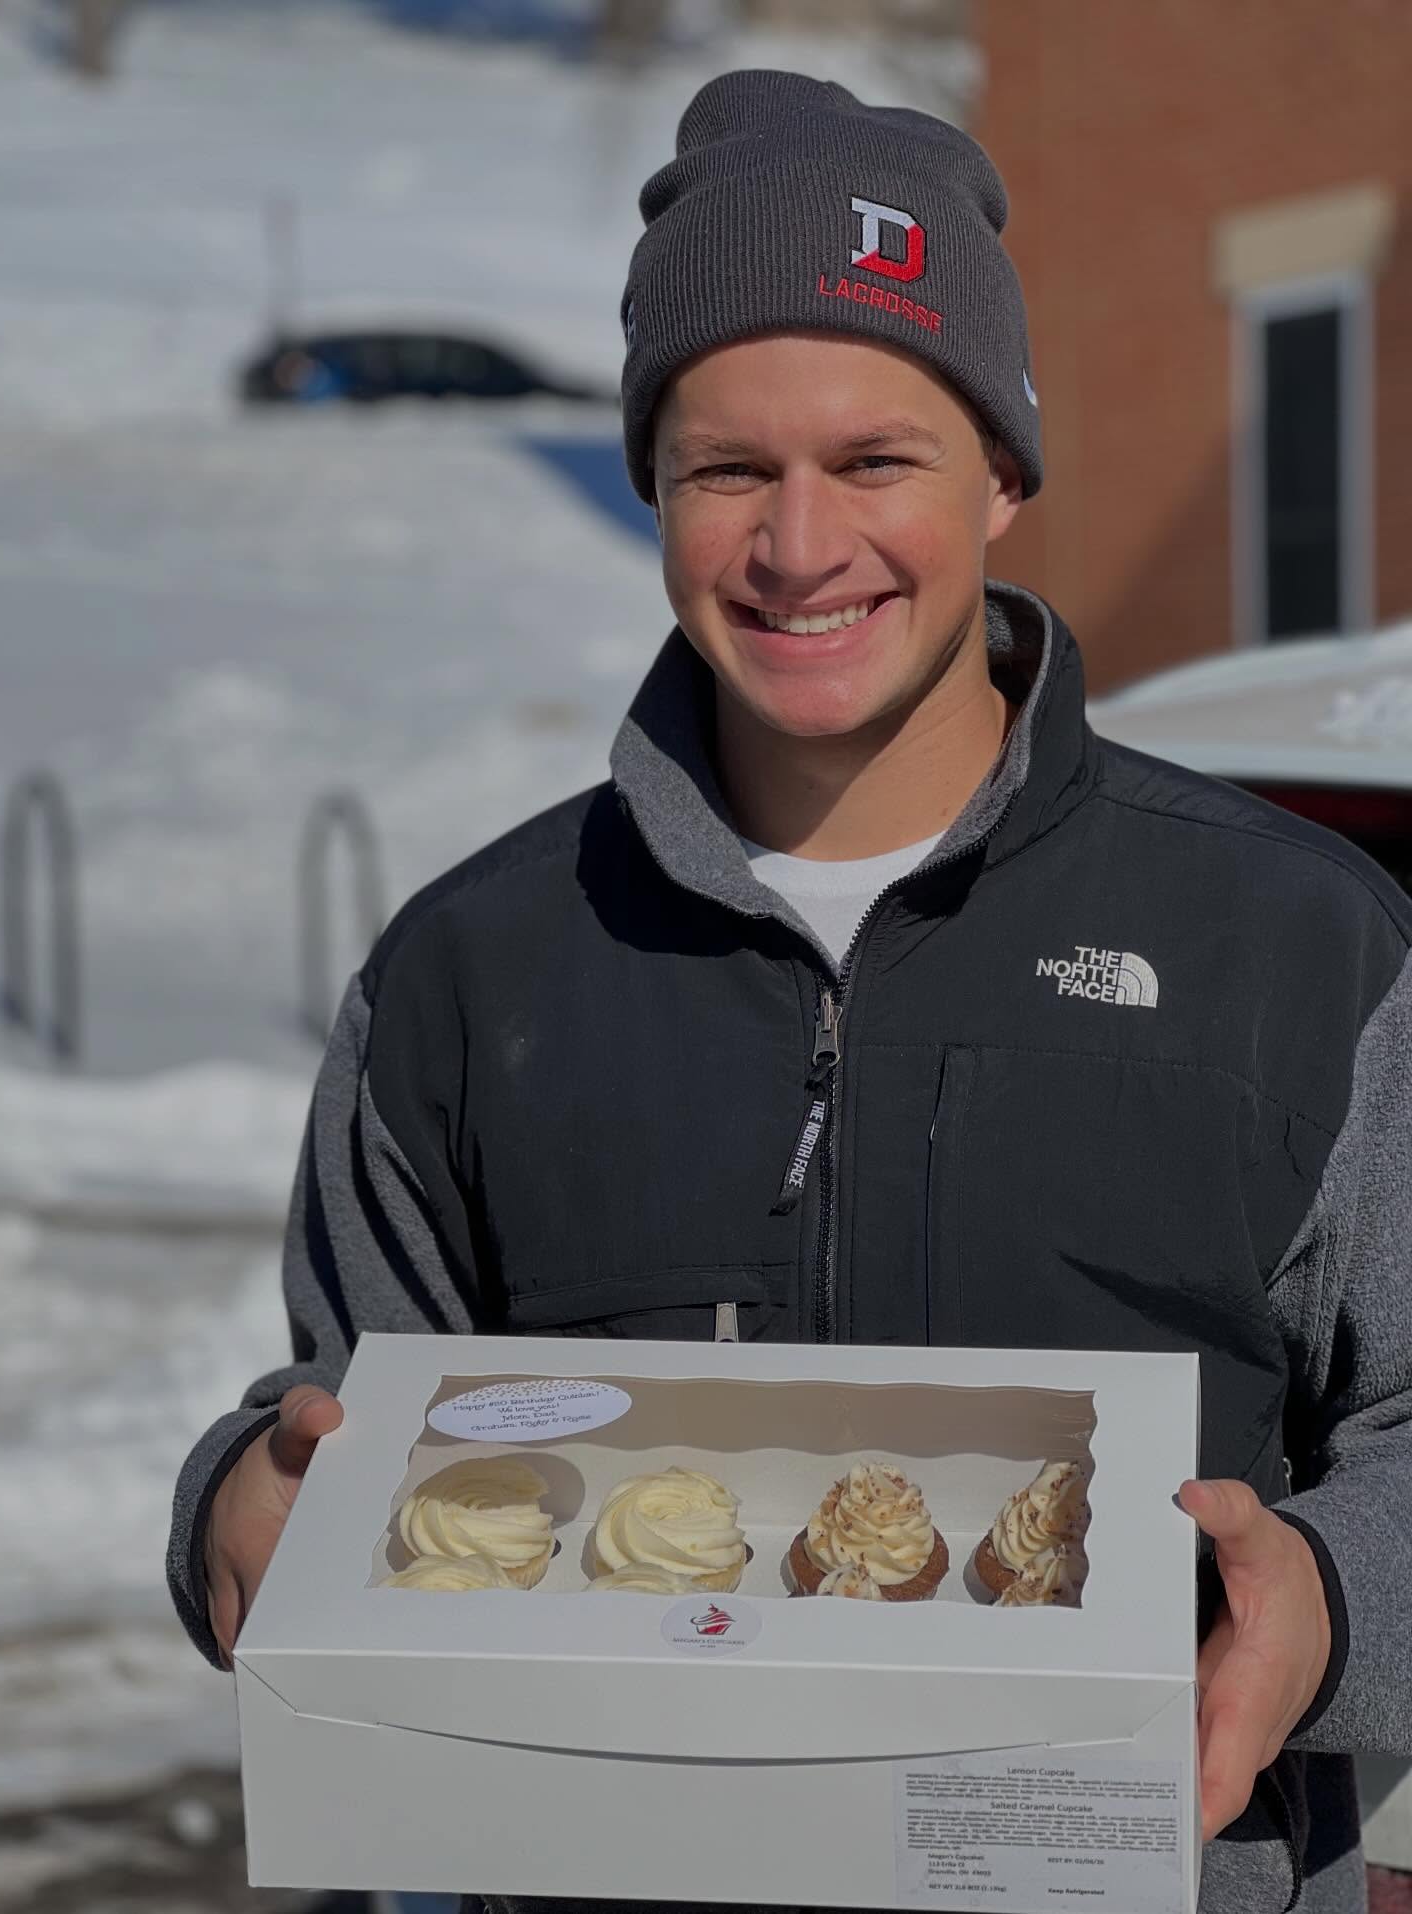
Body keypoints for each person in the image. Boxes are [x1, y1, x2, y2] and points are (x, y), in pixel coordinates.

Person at [168, 70, 1412, 1914]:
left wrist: (1323, 1598)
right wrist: (233, 1513)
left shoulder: (1297, 944)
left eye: (876, 460)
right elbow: (352, 1429)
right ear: (651, 484)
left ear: (1003, 468)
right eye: (728, 467)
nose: (801, 544)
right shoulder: (471, 972)